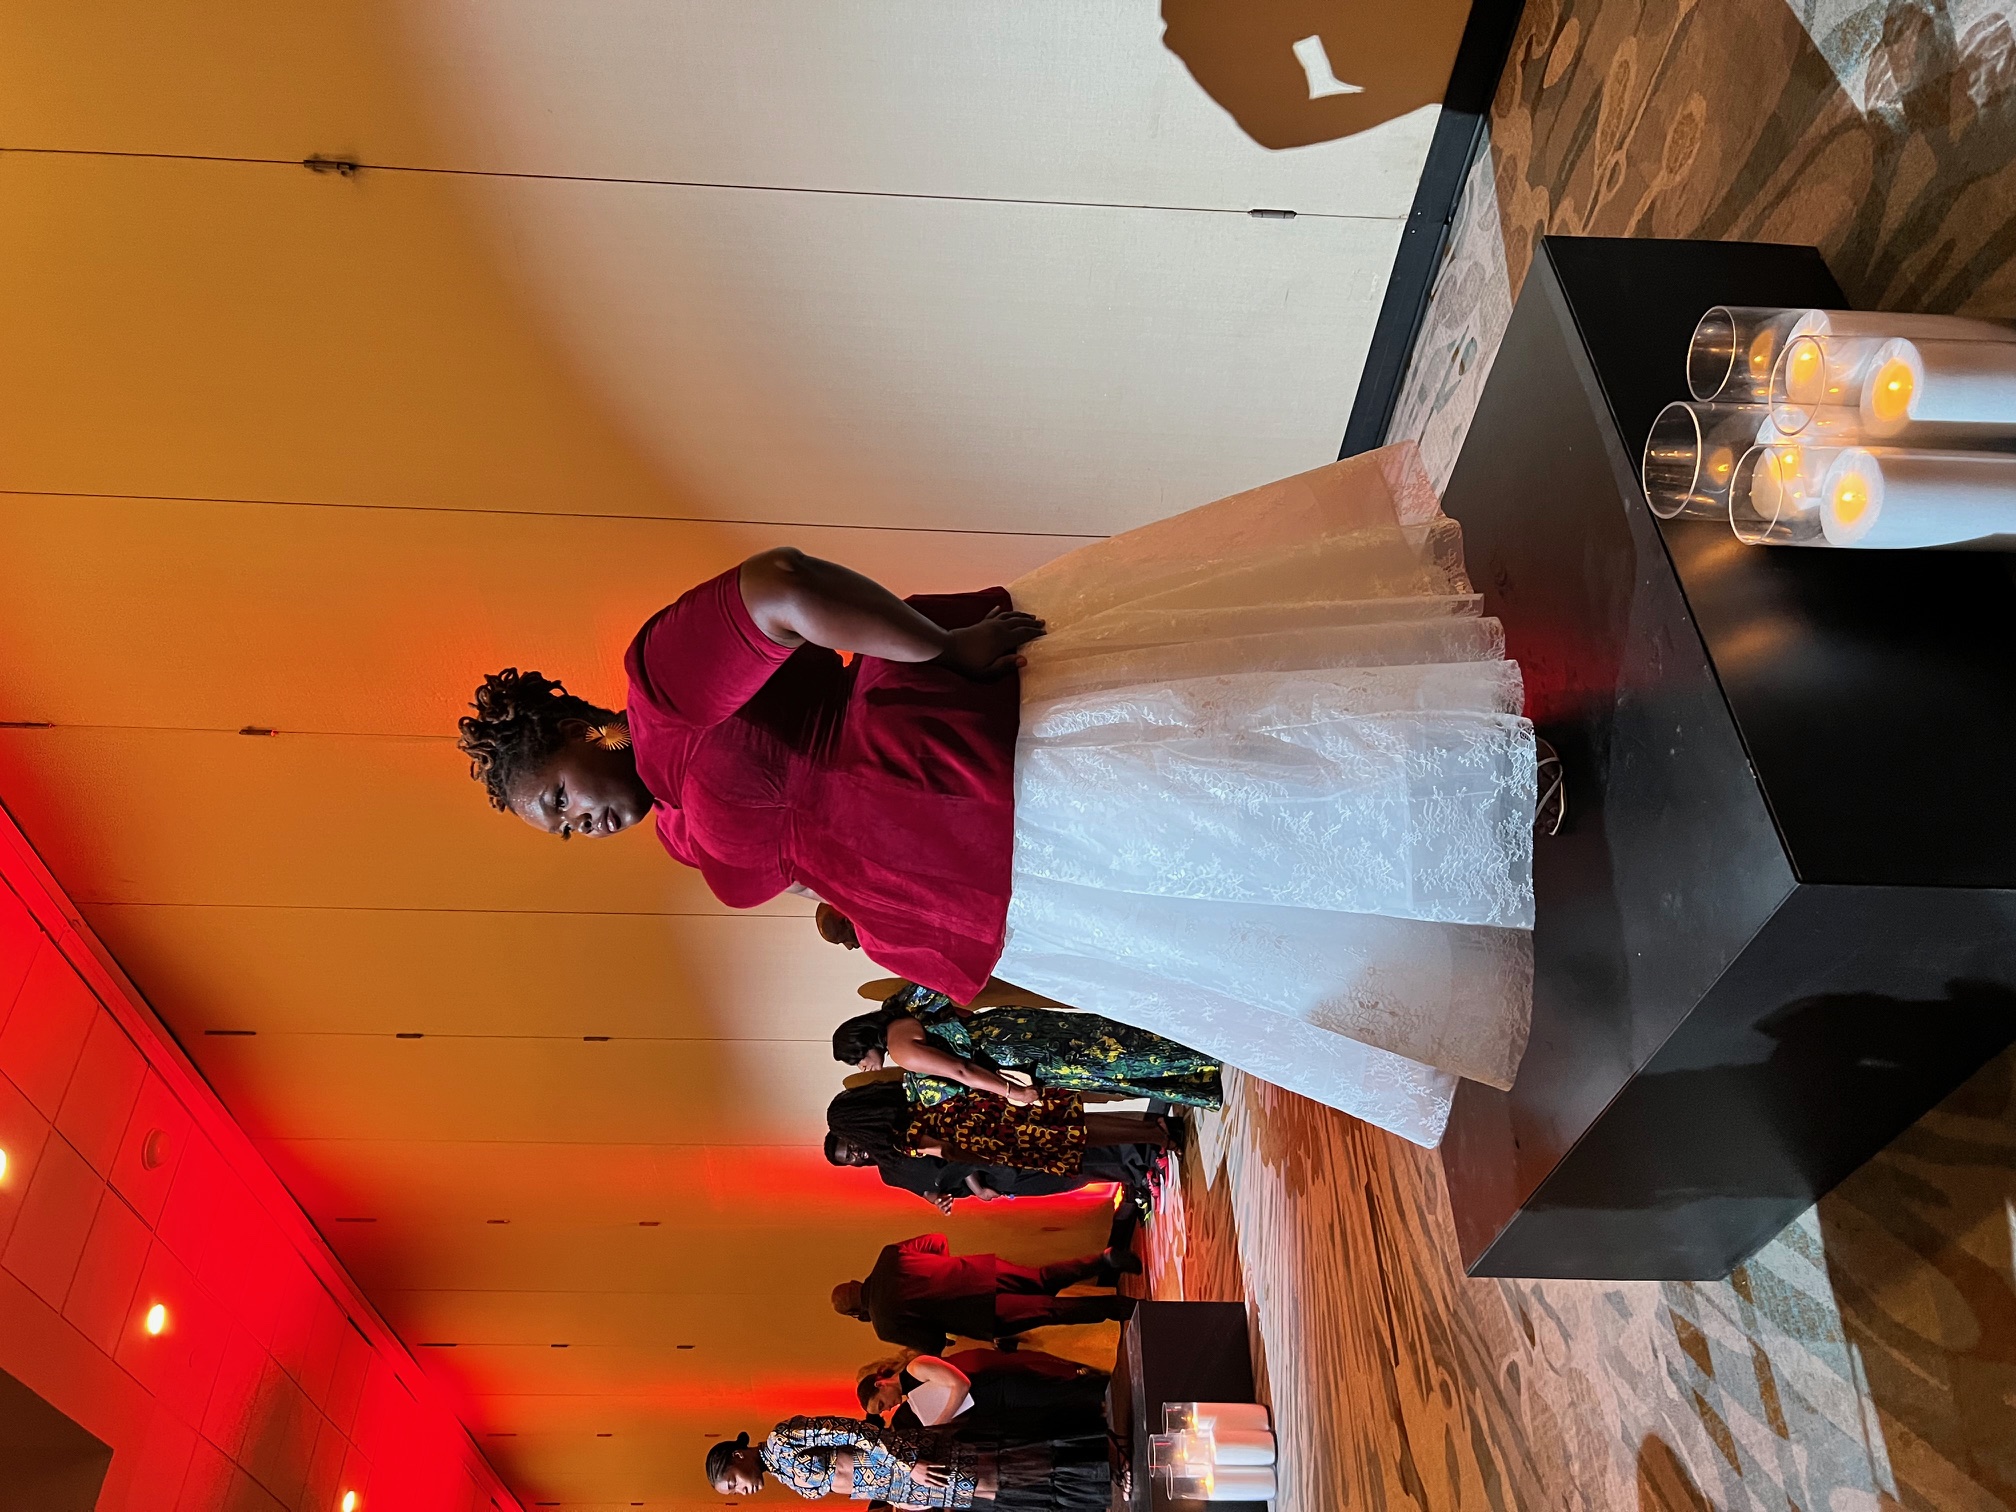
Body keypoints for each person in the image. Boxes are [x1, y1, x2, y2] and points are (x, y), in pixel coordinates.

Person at [457, 443, 1541, 1145]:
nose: (578, 825)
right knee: (1230, 887)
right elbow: (786, 843)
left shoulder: (658, 688)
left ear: (580, 733)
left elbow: (783, 587)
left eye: (556, 798)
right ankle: (1467, 874)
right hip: (971, 887)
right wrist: (838, 900)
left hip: (956, 763)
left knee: (1238, 786)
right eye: (558, 832)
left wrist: (943, 647)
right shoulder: (683, 845)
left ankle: (1492, 783)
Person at [834, 982, 1223, 1109]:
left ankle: (1196, 1060)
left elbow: (961, 1071)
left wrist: (1013, 1090)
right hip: (1007, 1025)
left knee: (1102, 1062)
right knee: (1100, 1034)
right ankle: (1197, 1039)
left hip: (1013, 1053)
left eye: (856, 1060)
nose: (863, 1068)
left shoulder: (900, 1049)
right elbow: (961, 1016)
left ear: (862, 1043)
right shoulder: (902, 1009)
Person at [706, 1416, 1112, 1509]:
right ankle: (1102, 1486)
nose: (741, 1491)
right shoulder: (783, 1476)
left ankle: (1107, 1468)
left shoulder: (781, 1440)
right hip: (906, 1485)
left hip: (911, 1461)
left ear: (738, 1456)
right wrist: (901, 1497)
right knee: (993, 1489)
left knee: (997, 1468)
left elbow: (852, 1431)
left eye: (733, 1482)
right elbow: (851, 1482)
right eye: (735, 1492)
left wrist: (905, 1464)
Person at [833, 1232, 1138, 1354]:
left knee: (1050, 1309)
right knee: (1042, 1278)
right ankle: (1103, 1260)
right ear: (855, 1282)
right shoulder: (888, 1256)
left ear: (852, 1314)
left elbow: (933, 1342)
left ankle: (1120, 1306)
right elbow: (937, 1240)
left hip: (977, 1313)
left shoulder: (884, 1326)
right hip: (977, 1271)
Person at [825, 1081, 1169, 1182]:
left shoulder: (899, 1140)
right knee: (1075, 1115)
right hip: (985, 1107)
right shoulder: (898, 1099)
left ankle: (1155, 1135)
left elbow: (945, 1152)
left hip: (994, 1139)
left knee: (1079, 1136)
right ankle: (1152, 1125)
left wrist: (977, 1158)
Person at [825, 1125, 1156, 1215]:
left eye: (850, 1146)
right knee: (1067, 1180)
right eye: (850, 1158)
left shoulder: (894, 1139)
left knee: (1068, 1158)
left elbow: (951, 1152)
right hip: (997, 1181)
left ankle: (1141, 1154)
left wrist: (977, 1186)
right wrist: (937, 1199)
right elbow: (927, 1187)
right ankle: (1133, 1174)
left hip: (991, 1160)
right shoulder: (888, 1173)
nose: (856, 1153)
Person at [859, 1348, 1111, 1437]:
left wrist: (940, 1422)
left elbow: (961, 1383)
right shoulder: (912, 1400)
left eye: (881, 1405)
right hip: (993, 1403)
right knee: (1056, 1405)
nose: (887, 1409)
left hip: (999, 1387)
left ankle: (1111, 1387)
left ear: (881, 1385)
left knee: (1060, 1393)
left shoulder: (915, 1368)